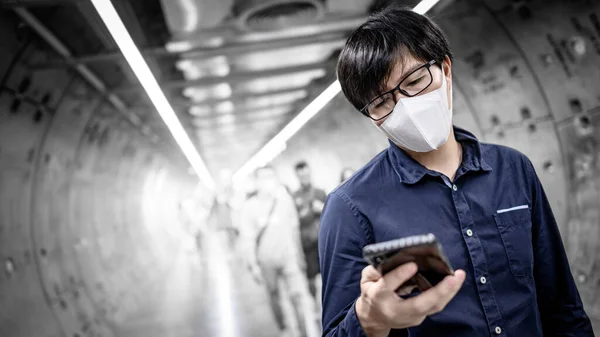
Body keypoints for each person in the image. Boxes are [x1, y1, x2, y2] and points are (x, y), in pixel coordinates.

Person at [319, 5, 594, 337]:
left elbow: (561, 305)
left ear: (445, 70)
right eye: (381, 103)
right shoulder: (350, 208)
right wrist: (369, 319)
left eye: (415, 81)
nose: (404, 106)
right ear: (371, 117)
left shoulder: (513, 169)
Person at [239, 165, 319, 337]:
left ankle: (304, 332)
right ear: (256, 182)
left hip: (289, 257)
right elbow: (248, 239)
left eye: (271, 177)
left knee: (298, 296)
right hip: (266, 260)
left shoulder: (285, 202)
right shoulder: (249, 208)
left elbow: (294, 230)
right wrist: (253, 265)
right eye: (264, 178)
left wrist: (299, 256)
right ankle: (284, 328)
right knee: (274, 295)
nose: (268, 181)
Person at [293, 161, 327, 300]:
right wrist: (307, 212)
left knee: (328, 273)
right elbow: (293, 220)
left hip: (322, 240)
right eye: (301, 175)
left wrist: (322, 208)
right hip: (306, 243)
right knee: (311, 277)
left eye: (306, 174)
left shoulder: (320, 192)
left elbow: (331, 214)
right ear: (297, 176)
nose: (304, 177)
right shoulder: (294, 197)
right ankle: (314, 303)